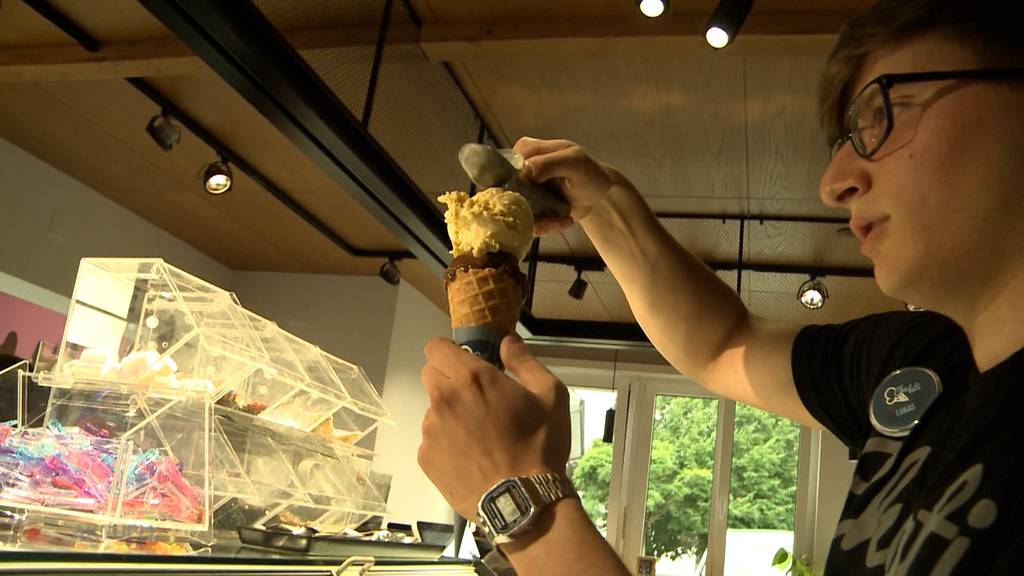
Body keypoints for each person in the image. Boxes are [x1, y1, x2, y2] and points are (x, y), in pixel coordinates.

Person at [417, 0, 1024, 573]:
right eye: (843, 140)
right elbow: (720, 344)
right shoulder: (916, 363)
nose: (834, 182)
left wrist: (526, 511)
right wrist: (605, 203)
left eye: (883, 113)